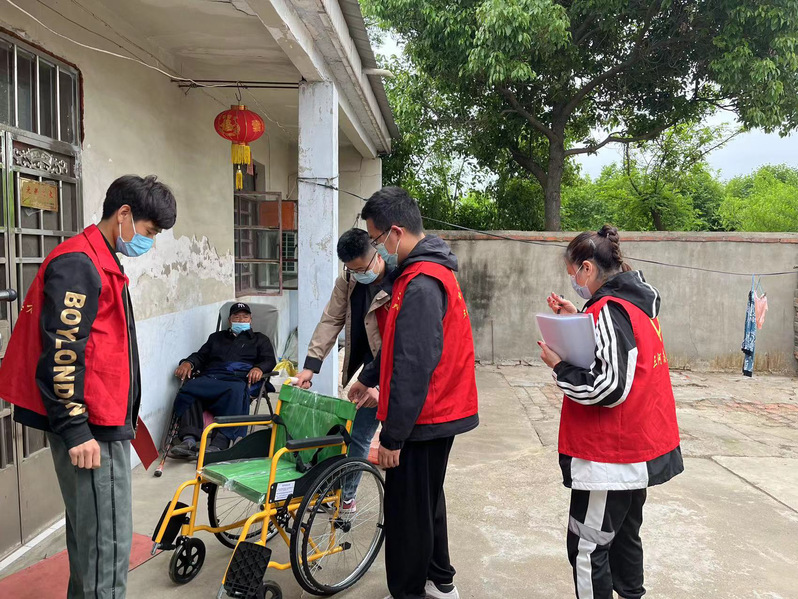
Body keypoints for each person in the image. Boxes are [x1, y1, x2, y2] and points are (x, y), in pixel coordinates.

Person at [0, 175, 177, 598]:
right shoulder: (80, 263)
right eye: (150, 231)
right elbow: (62, 353)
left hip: (101, 418)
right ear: (124, 215)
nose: (150, 241)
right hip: (91, 427)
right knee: (106, 544)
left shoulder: (96, 258)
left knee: (91, 535)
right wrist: (77, 430)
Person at [347, 186, 479, 599]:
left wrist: (392, 437)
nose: (377, 249)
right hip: (438, 408)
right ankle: (440, 580)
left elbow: (413, 364)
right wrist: (369, 376)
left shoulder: (421, 283)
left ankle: (408, 592)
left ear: (396, 232)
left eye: (376, 239)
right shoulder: (427, 272)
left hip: (427, 412)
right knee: (427, 500)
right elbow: (397, 345)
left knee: (406, 511)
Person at [538, 225, 683, 599]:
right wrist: (580, 317)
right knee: (624, 539)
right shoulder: (635, 304)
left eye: (572, 274)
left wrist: (560, 367)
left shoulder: (609, 309)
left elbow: (608, 386)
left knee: (587, 548)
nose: (573, 282)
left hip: (609, 457)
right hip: (636, 447)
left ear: (587, 268)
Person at [294, 228, 391, 511]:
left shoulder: (400, 279)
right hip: (369, 370)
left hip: (395, 371)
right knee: (357, 434)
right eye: (352, 270)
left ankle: (401, 508)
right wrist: (311, 366)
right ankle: (345, 497)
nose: (358, 275)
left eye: (361, 269)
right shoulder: (348, 279)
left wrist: (379, 385)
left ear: (376, 255)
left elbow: (403, 343)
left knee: (398, 443)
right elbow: (331, 319)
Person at [169, 302, 276, 458]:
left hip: (239, 379)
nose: (241, 320)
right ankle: (188, 440)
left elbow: (269, 360)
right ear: (229, 320)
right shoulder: (216, 338)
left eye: (245, 317)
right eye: (236, 317)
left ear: (251, 320)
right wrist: (188, 363)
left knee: (236, 391)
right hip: (212, 376)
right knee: (190, 388)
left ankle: (219, 443)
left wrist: (259, 368)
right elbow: (201, 356)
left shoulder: (260, 339)